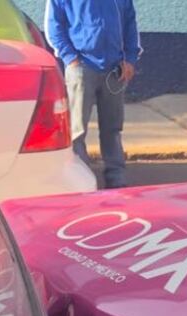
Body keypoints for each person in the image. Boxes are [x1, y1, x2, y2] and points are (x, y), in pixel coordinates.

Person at [45, 0, 141, 189]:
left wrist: (129, 58)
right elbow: (53, 25)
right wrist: (70, 58)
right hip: (81, 67)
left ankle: (116, 177)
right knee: (77, 130)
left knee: (112, 128)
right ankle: (81, 180)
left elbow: (130, 22)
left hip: (115, 69)